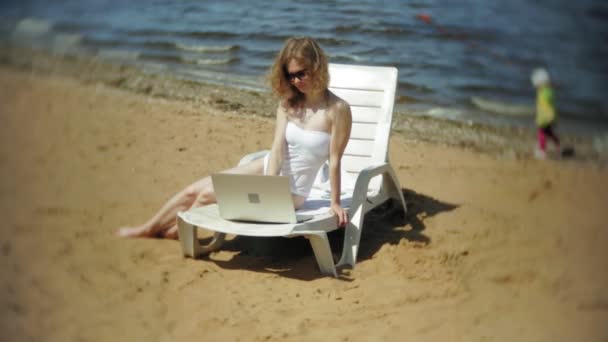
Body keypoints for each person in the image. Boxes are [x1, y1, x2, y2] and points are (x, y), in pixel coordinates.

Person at [116, 37, 352, 239]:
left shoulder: (337, 109)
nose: (295, 82)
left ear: (317, 67)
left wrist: (334, 203)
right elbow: (278, 147)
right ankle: (148, 228)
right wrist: (268, 184)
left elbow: (335, 159)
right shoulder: (289, 103)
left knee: (208, 194)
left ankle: (179, 232)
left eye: (301, 74)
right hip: (268, 169)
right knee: (194, 190)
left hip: (294, 190)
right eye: (290, 76)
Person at [531, 68, 560, 159]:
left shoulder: (543, 93)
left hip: (545, 118)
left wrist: (540, 118)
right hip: (551, 117)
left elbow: (543, 107)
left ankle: (542, 151)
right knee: (549, 132)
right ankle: (557, 144)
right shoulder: (549, 91)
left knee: (541, 133)